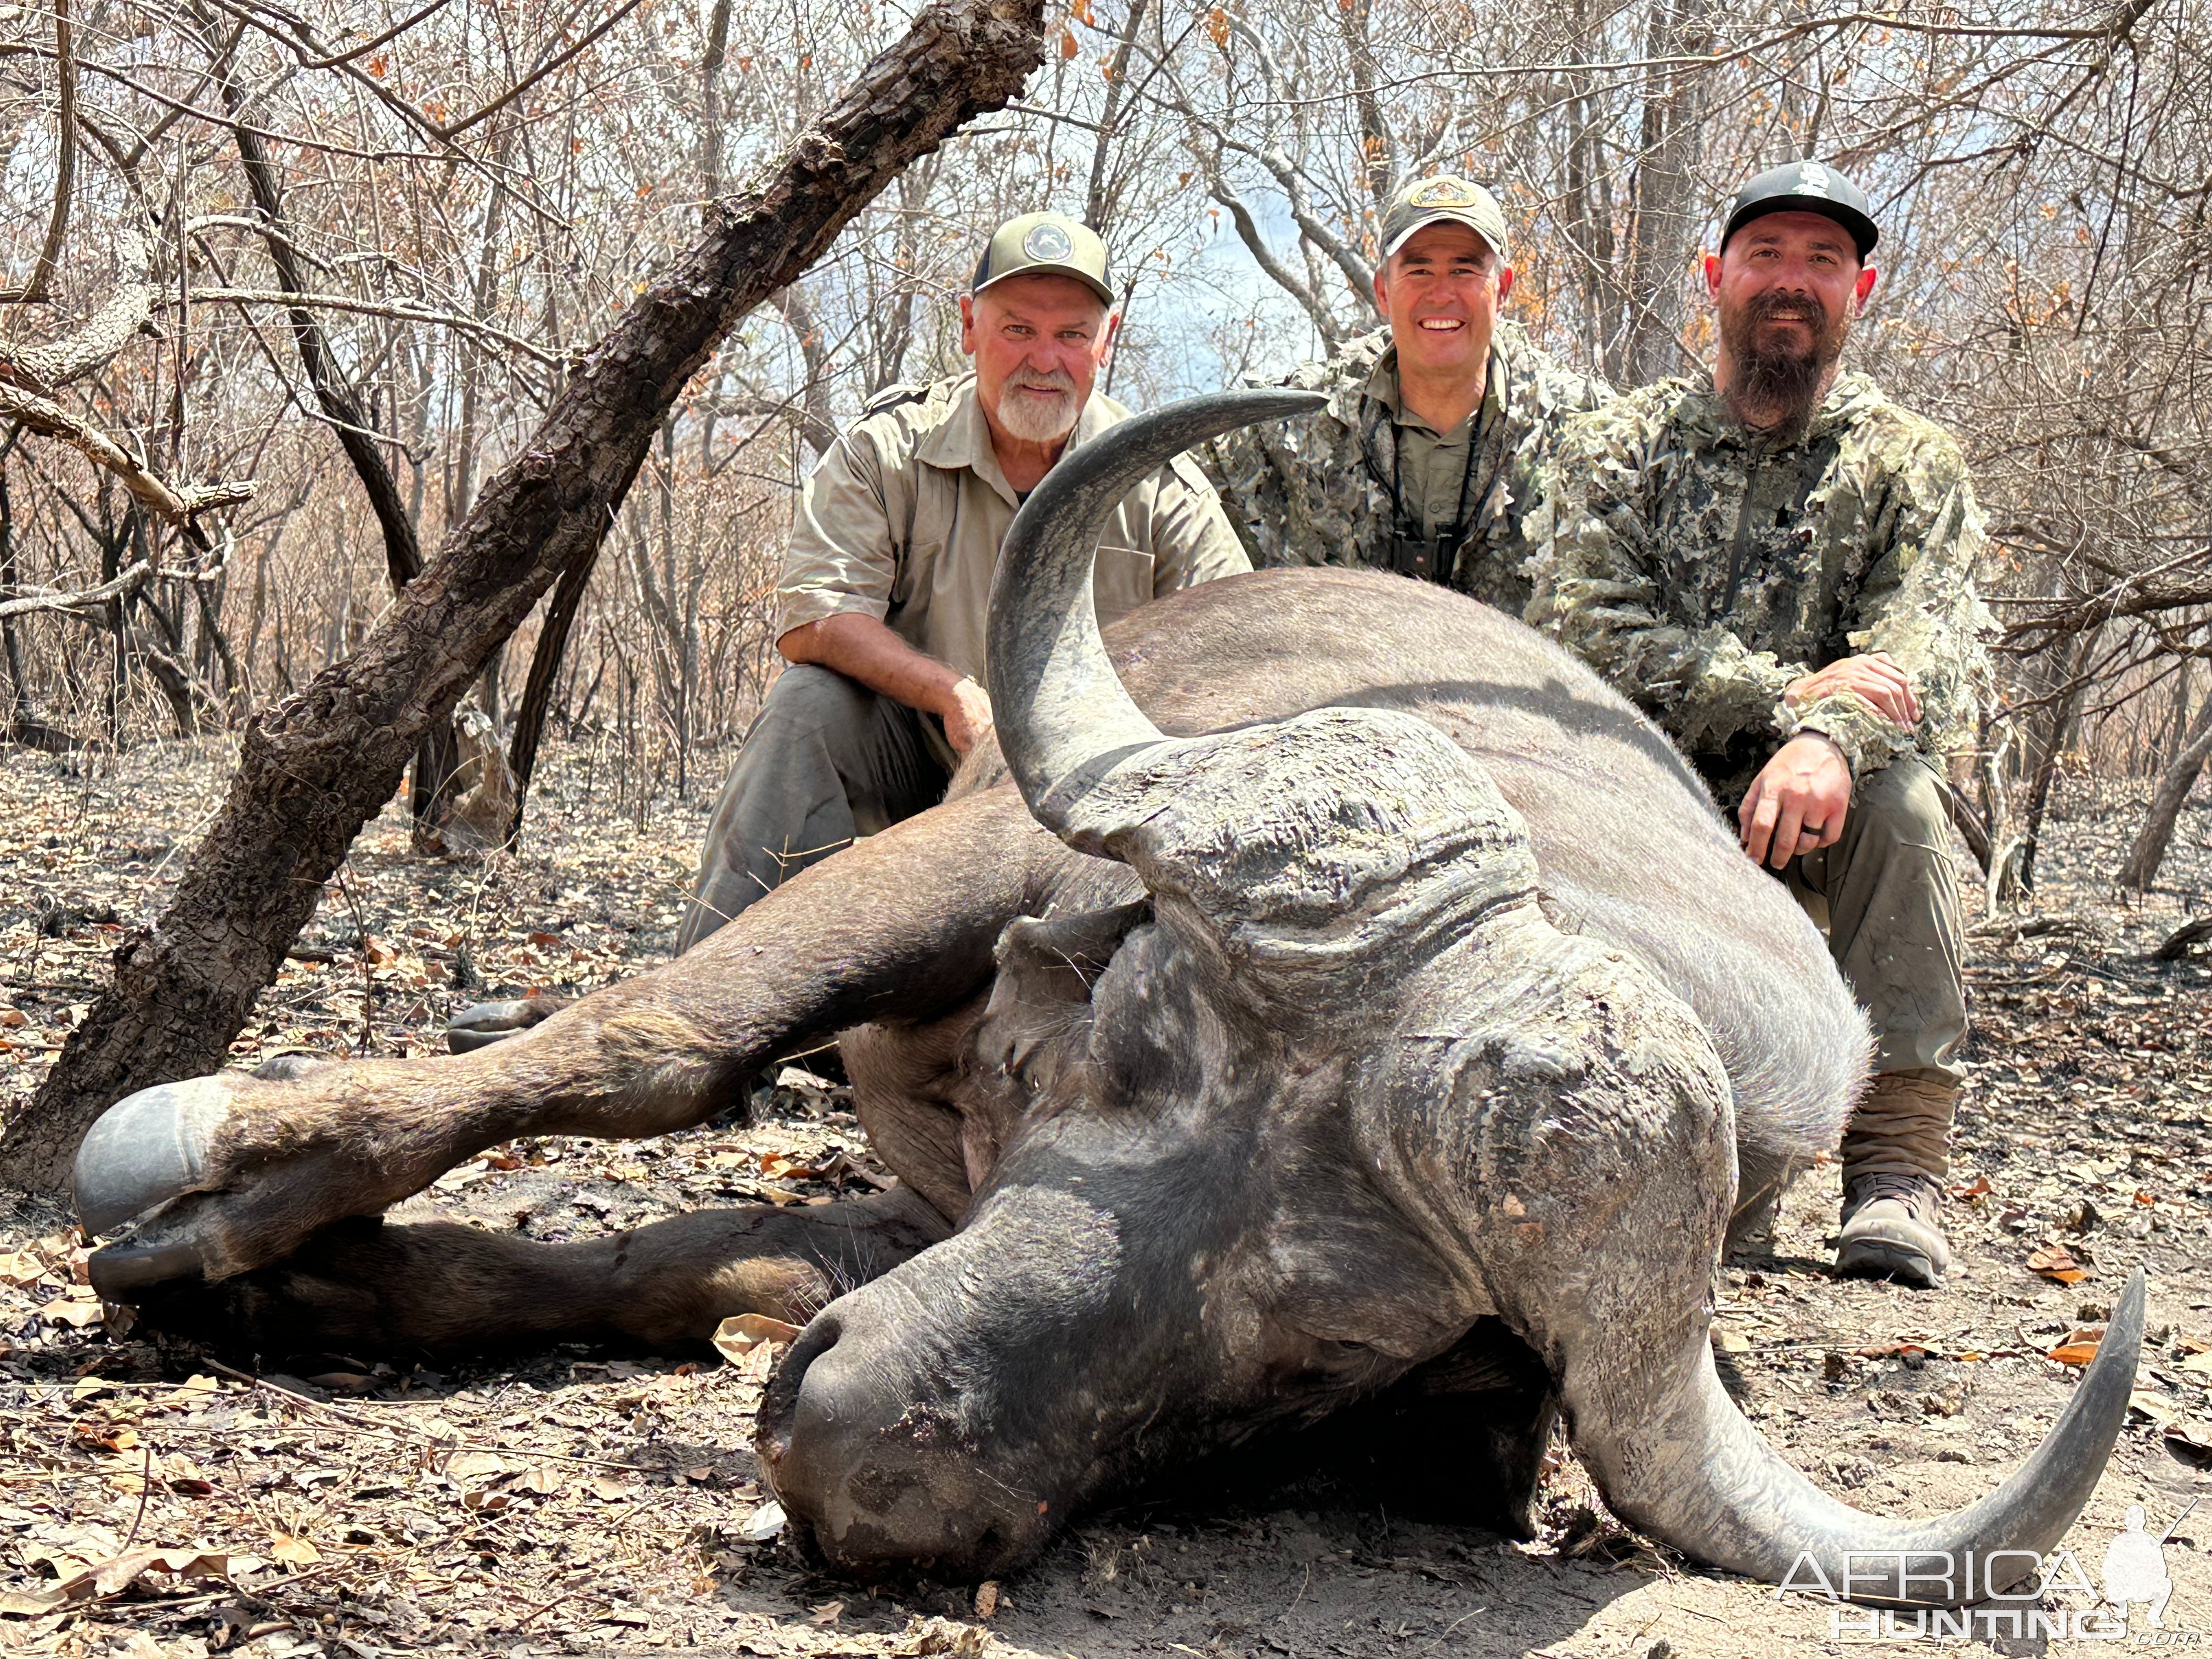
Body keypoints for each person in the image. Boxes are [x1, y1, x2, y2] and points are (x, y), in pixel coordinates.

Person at [1533, 161, 1993, 1288]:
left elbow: (1931, 649)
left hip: (1823, 825)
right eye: (1768, 256)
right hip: (1653, 818)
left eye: (1823, 262)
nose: (1793, 282)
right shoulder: (1622, 447)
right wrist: (1798, 701)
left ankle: (1897, 1174)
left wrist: (1832, 744)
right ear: (1715, 279)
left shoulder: (1911, 465)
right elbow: (1595, 628)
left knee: (1908, 802)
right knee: (1707, 1224)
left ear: (1862, 290)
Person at [680, 211, 1248, 949]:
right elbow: (813, 617)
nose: (1045, 359)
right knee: (808, 705)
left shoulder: (1162, 484)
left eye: (1072, 335)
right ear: (969, 327)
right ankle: (703, 1004)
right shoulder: (889, 448)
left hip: (1091, 802)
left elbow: (1235, 651)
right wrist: (951, 695)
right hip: (922, 771)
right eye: (1018, 330)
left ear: (1105, 343)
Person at [1206, 174, 1609, 612]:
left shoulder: (1587, 433)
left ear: (1504, 289)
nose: (1441, 293)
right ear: (1382, 290)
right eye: (1419, 270)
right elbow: (1166, 493)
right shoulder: (1295, 418)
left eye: (1465, 269)